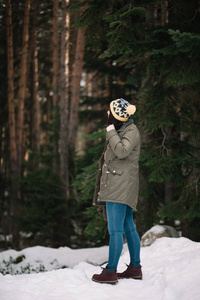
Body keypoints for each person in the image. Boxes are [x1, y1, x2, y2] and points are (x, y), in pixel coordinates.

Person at [92, 98, 142, 284]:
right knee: (128, 226)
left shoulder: (130, 131)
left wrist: (111, 132)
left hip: (119, 187)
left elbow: (122, 151)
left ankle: (110, 271)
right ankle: (135, 268)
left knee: (115, 231)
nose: (107, 114)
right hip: (118, 185)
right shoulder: (124, 129)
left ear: (117, 115)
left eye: (110, 112)